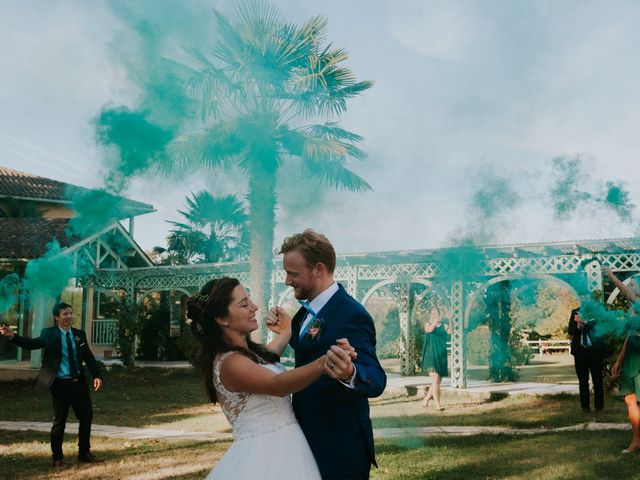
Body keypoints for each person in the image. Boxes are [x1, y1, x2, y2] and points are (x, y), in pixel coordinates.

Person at [187, 276, 347, 480]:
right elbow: (277, 384)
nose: (254, 307)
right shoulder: (230, 363)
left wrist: (289, 328)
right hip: (263, 455)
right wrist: (323, 363)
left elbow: (272, 353)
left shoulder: (252, 355)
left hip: (287, 447)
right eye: (244, 304)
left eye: (250, 300)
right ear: (222, 319)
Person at [273, 229, 387, 480]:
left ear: (318, 269)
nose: (287, 281)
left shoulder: (351, 314)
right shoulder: (304, 313)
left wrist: (350, 373)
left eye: (293, 274)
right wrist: (288, 331)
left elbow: (376, 378)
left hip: (339, 449)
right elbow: (313, 351)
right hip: (307, 441)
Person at [0, 302, 103, 468]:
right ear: (57, 317)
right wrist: (13, 336)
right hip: (60, 385)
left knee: (86, 417)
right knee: (59, 421)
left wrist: (97, 375)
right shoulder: (48, 334)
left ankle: (84, 453)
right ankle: (57, 459)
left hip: (79, 385)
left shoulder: (79, 334)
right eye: (65, 314)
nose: (69, 317)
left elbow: (89, 357)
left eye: (70, 313)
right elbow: (31, 344)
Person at [605, 267, 640, 453]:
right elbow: (630, 335)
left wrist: (611, 276)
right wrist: (619, 359)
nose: (631, 289)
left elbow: (623, 289)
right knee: (630, 399)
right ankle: (636, 440)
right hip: (631, 357)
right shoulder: (634, 309)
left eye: (634, 286)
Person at [567, 307, 604, 412]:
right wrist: (578, 326)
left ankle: (599, 407)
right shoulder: (575, 312)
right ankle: (585, 407)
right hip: (579, 351)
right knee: (582, 381)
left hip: (595, 351)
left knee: (598, 380)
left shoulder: (597, 311)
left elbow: (601, 330)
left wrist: (586, 322)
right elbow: (570, 331)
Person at [420, 305, 451, 411]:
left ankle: (426, 399)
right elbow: (429, 330)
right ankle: (438, 405)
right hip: (430, 356)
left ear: (439, 314)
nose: (434, 315)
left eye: (436, 313)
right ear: (430, 315)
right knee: (436, 380)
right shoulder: (427, 324)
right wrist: (434, 321)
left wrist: (450, 320)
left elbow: (451, 332)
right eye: (432, 313)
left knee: (436, 382)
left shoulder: (444, 325)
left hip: (441, 356)